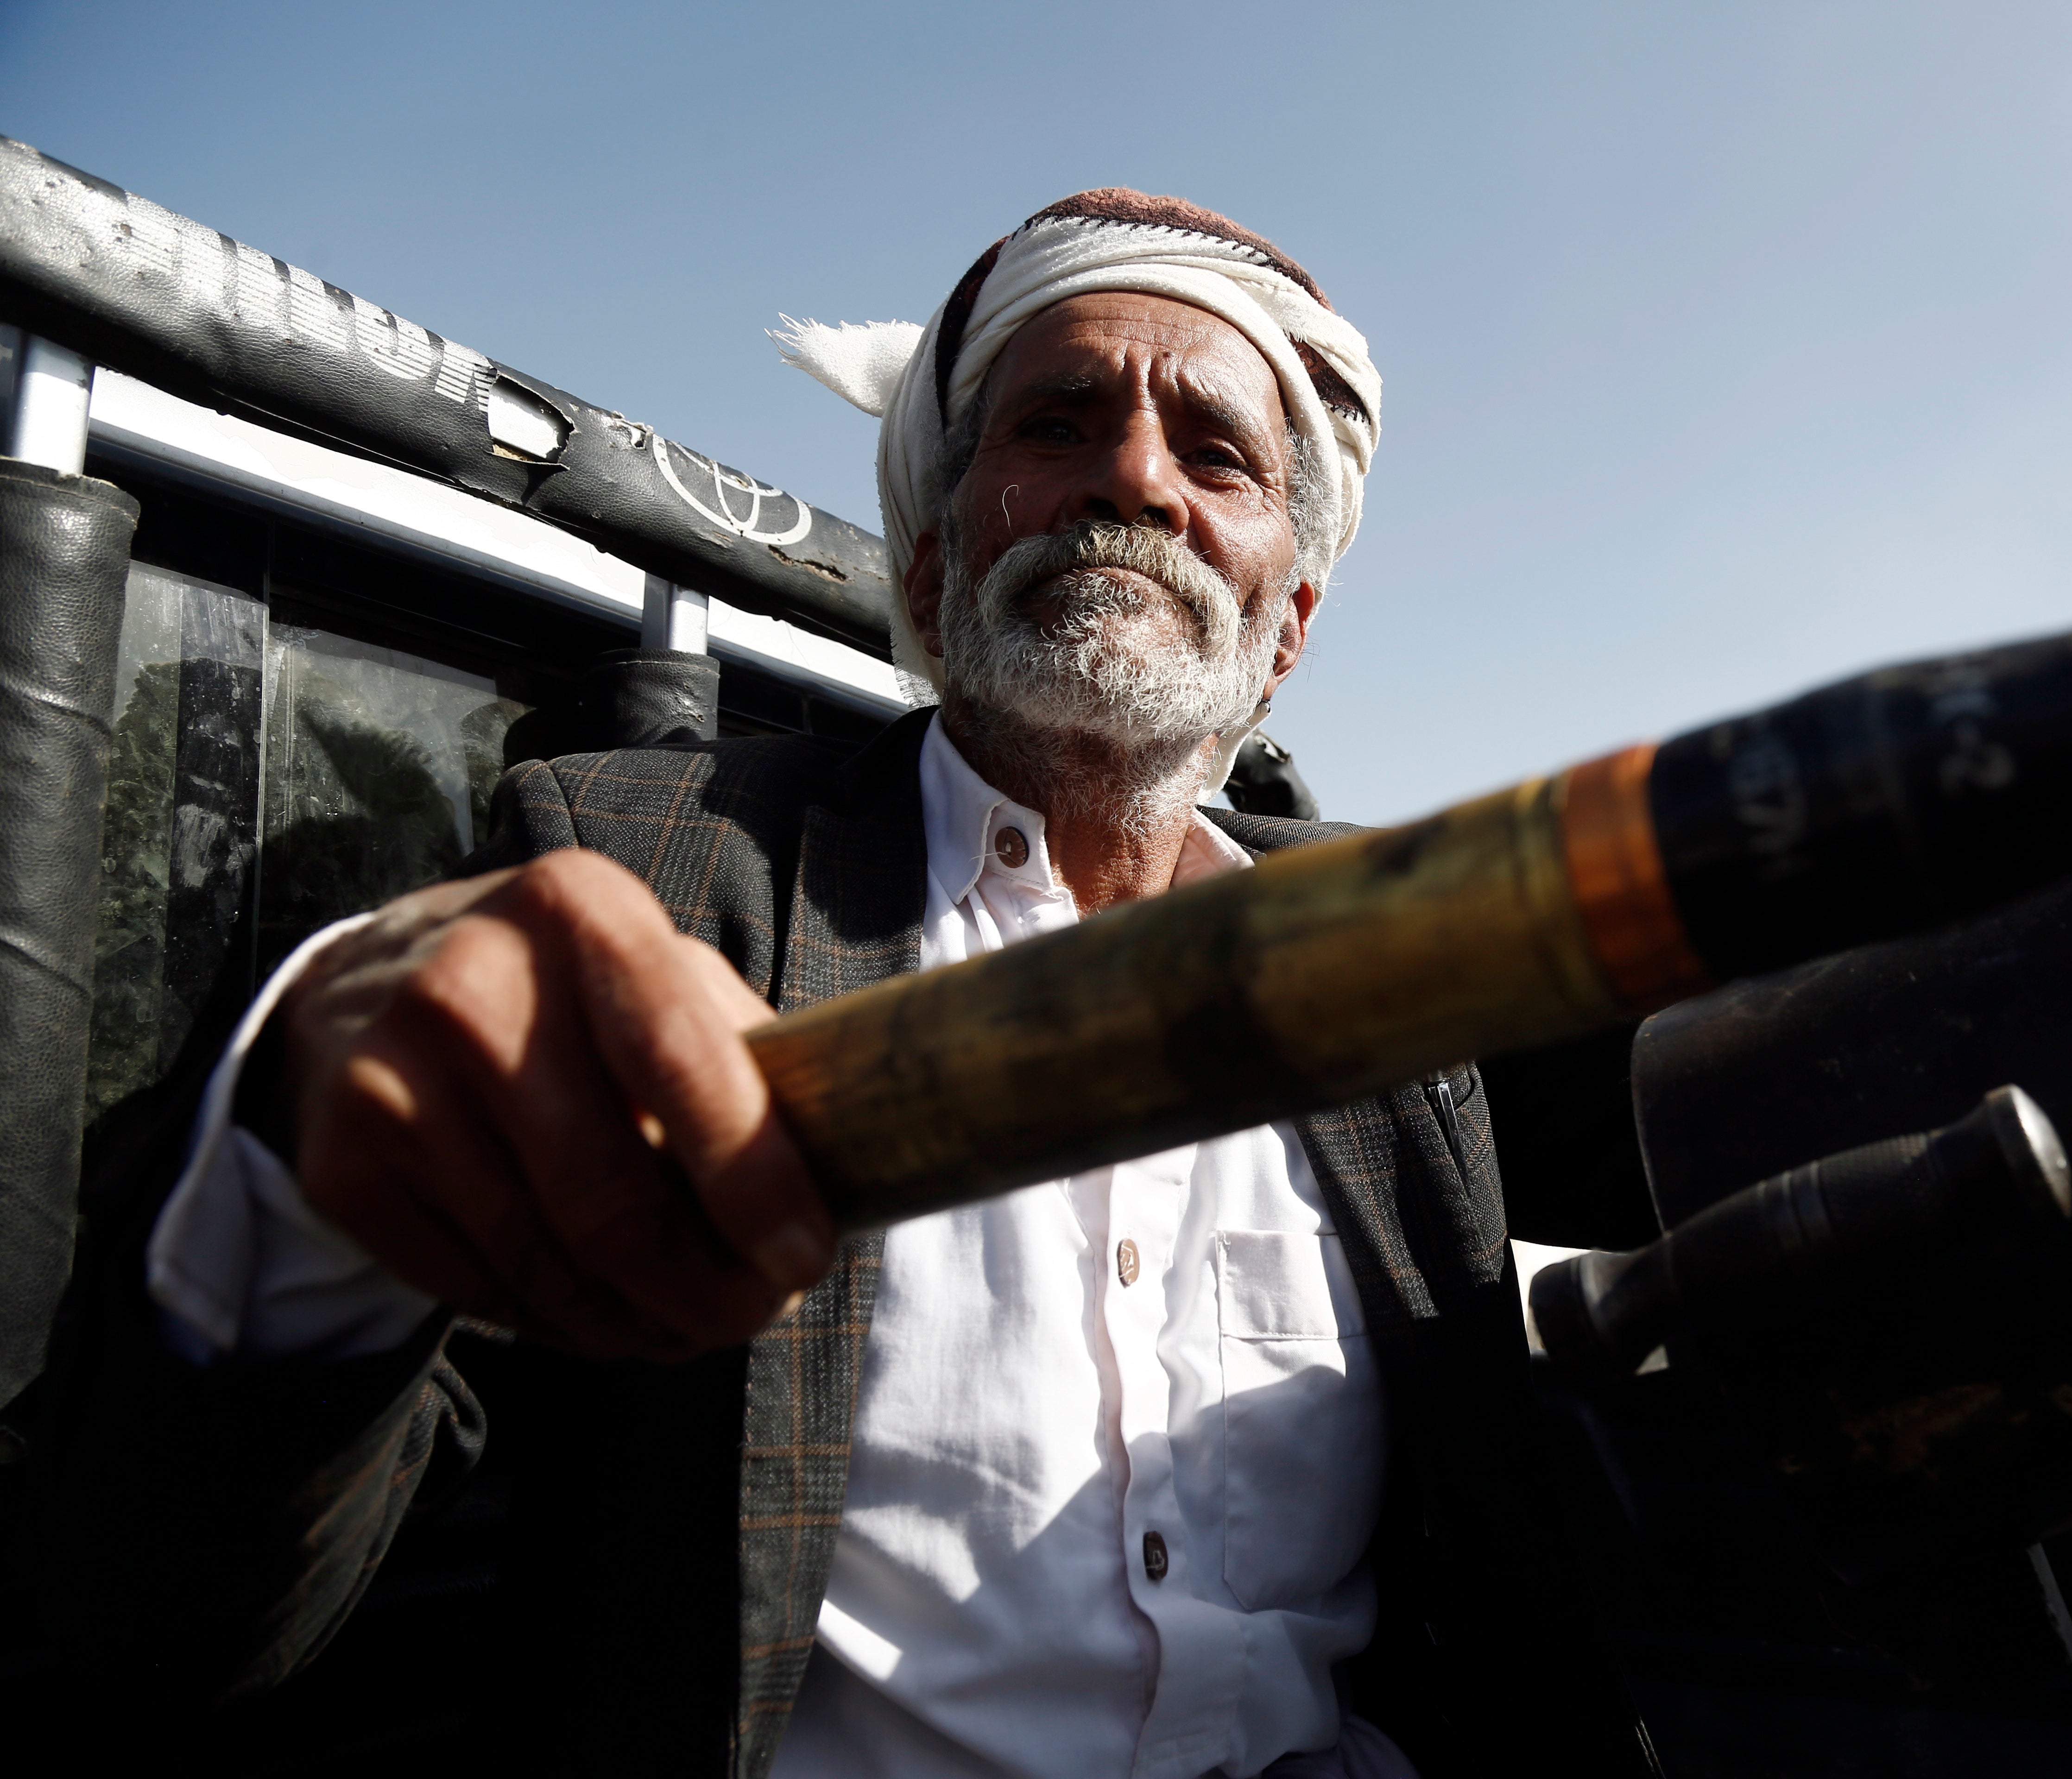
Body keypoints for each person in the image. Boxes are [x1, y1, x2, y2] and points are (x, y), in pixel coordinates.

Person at [9, 191, 1658, 1779]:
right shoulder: (649, 874)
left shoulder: (1407, 953)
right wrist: (295, 1180)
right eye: (1055, 424)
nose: (1133, 480)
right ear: (932, 574)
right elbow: (166, 1620)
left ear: (1288, 623)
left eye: (1213, 450)